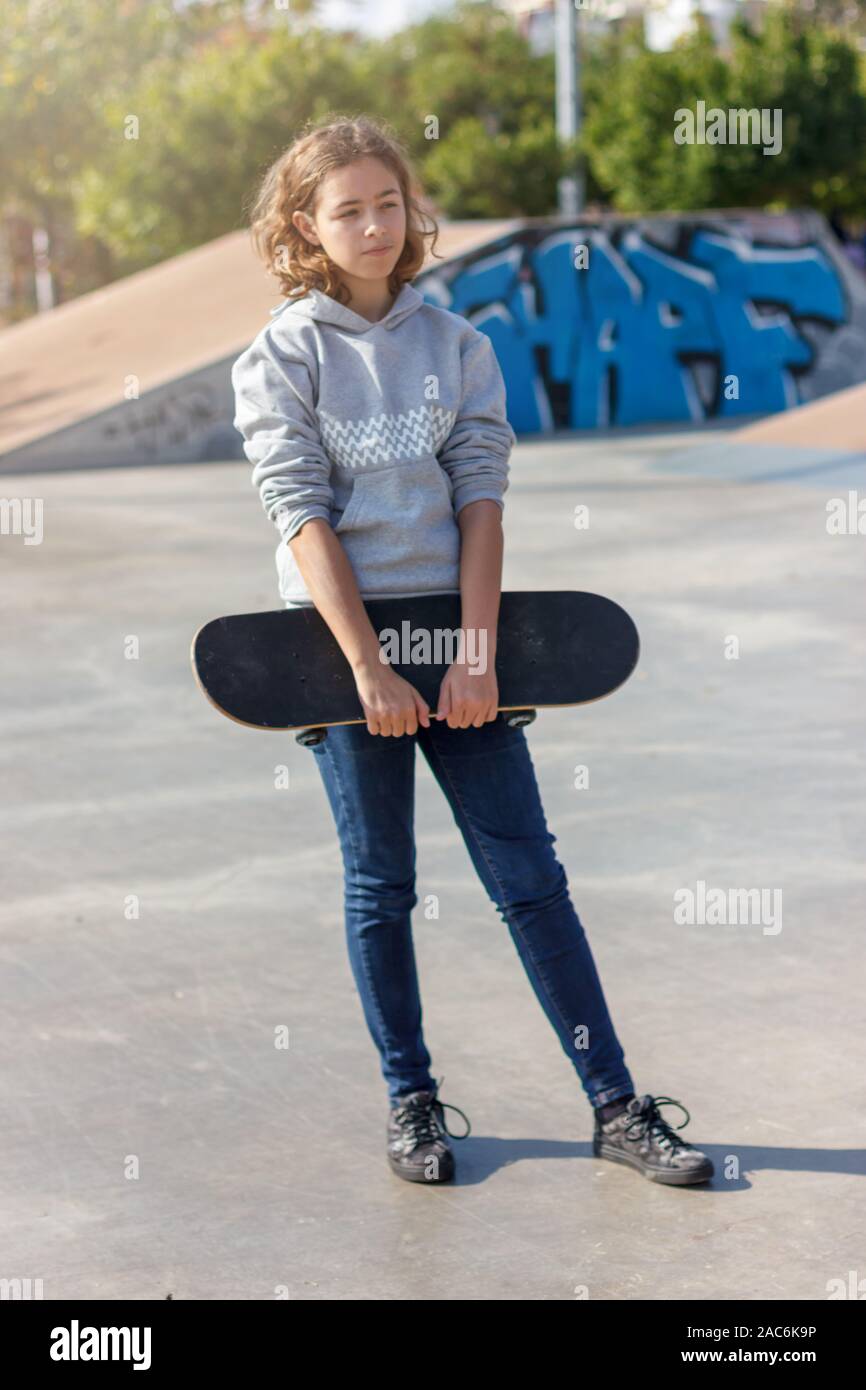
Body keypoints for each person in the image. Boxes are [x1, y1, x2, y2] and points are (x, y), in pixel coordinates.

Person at [231, 114, 713, 1188]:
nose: (371, 222)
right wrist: (366, 670)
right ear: (306, 225)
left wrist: (476, 653)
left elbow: (480, 502)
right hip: (340, 645)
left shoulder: (457, 344)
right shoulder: (281, 354)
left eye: (386, 202)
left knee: (530, 878)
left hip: (460, 638)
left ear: (410, 213)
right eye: (345, 208)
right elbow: (298, 515)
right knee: (380, 886)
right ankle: (411, 1103)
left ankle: (617, 1106)